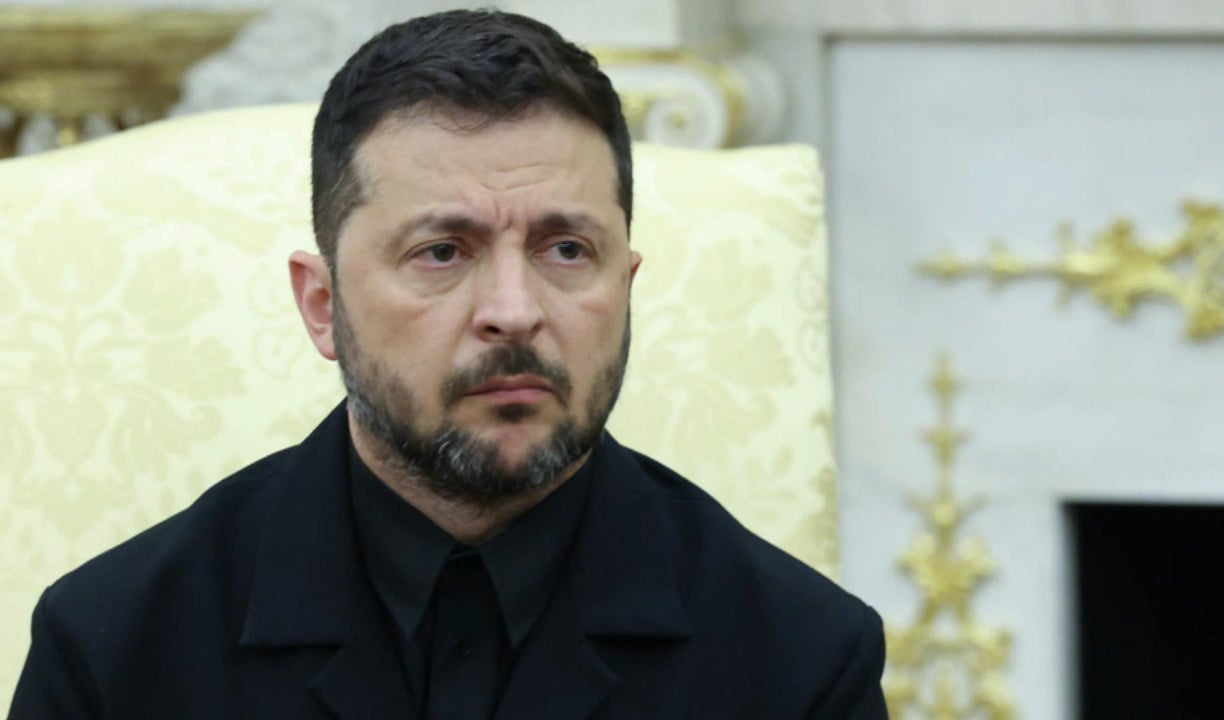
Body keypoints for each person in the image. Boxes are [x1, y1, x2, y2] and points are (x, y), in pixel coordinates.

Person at [8, 9, 888, 720]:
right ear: (322, 305)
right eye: (442, 251)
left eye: (567, 249)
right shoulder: (117, 651)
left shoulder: (801, 661)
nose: (514, 309)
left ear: (625, 286)